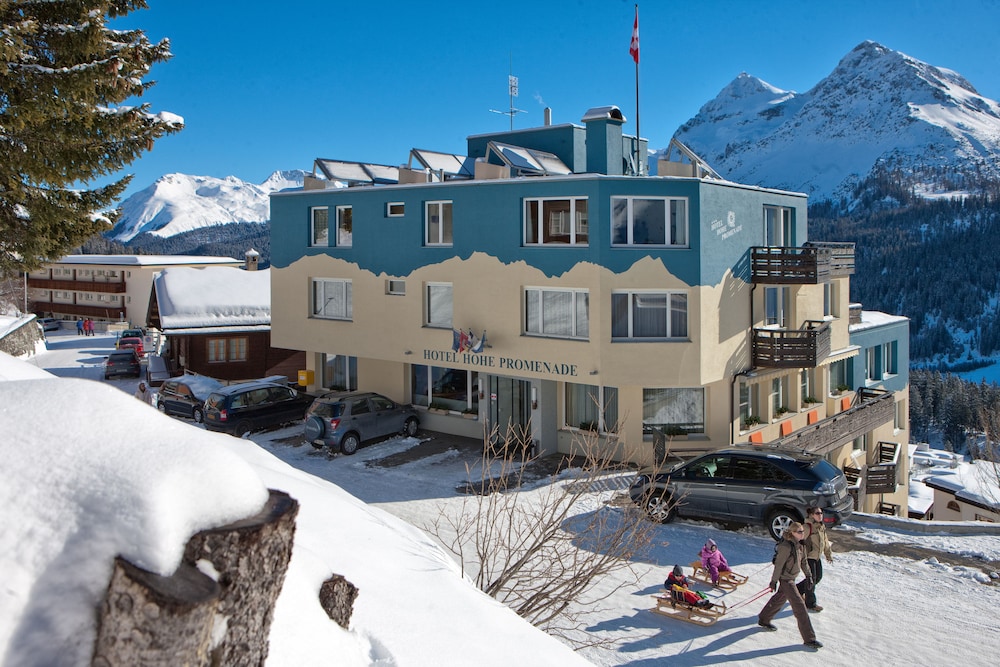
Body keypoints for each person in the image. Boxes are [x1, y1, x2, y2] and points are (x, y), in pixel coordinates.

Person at [757, 523, 823, 649]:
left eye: (802, 531)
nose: (802, 533)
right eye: (799, 531)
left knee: (780, 599)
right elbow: (779, 565)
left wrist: (809, 576)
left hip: (792, 577)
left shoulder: (801, 545)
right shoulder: (786, 546)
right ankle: (809, 638)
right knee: (800, 607)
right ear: (792, 532)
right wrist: (773, 581)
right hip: (786, 580)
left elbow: (804, 562)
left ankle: (764, 618)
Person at [799, 506, 834, 612]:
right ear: (811, 515)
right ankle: (810, 604)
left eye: (821, 513)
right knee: (811, 580)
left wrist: (828, 554)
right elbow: (796, 538)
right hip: (808, 557)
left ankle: (797, 589)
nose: (820, 515)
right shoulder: (807, 527)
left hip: (816, 557)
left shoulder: (821, 527)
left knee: (818, 577)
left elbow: (825, 541)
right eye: (817, 513)